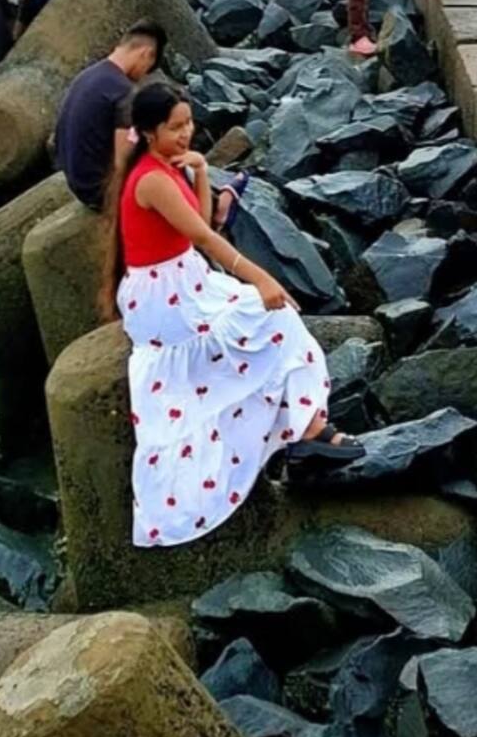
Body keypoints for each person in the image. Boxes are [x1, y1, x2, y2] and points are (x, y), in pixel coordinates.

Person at [109, 82, 342, 547]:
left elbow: (205, 217)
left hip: (185, 279)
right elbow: (204, 236)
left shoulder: (167, 167)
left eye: (189, 124)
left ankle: (306, 427)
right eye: (176, 128)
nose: (186, 133)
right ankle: (301, 429)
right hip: (162, 294)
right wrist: (261, 279)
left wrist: (197, 169)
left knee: (274, 323)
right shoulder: (150, 179)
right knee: (269, 321)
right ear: (151, 132)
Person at [53, 22, 168, 210]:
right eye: (147, 69)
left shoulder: (86, 76)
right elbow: (123, 160)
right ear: (145, 54)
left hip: (75, 180)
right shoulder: (123, 91)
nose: (142, 77)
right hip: (100, 191)